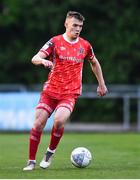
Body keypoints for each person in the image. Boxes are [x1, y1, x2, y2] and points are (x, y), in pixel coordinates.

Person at [23, 11, 108, 171]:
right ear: (66, 24)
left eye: (80, 26)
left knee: (59, 120)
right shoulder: (54, 42)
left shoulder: (85, 45)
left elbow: (94, 63)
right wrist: (42, 61)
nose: (78, 29)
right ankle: (31, 161)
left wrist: (101, 84)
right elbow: (35, 58)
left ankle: (49, 153)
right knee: (38, 123)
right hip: (50, 91)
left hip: (70, 93)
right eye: (75, 25)